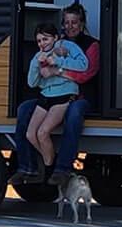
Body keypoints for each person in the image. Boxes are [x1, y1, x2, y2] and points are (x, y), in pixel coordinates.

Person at [12, 3, 100, 186]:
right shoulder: (54, 45)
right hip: (50, 93)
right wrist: (42, 67)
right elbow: (36, 79)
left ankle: (62, 168)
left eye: (74, 22)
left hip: (81, 95)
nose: (70, 26)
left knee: (74, 114)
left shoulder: (91, 45)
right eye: (66, 22)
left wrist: (57, 70)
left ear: (82, 23)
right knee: (23, 110)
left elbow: (86, 74)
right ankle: (27, 167)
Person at [19, 22, 89, 175]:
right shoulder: (38, 56)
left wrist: (57, 62)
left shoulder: (66, 46)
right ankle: (51, 162)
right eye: (39, 41)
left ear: (55, 38)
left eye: (46, 39)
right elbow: (32, 83)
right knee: (30, 134)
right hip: (46, 95)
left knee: (43, 132)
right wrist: (36, 64)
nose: (42, 43)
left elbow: (84, 65)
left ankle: (50, 171)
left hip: (64, 94)